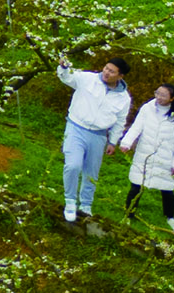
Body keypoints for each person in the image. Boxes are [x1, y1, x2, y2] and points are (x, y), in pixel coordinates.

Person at [56, 55, 131, 222]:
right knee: (73, 165)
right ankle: (70, 201)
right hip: (76, 127)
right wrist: (63, 67)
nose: (107, 73)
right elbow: (67, 77)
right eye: (106, 68)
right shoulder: (87, 78)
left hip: (98, 135)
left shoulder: (123, 98)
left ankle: (86, 205)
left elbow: (120, 121)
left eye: (112, 72)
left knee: (91, 173)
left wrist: (113, 141)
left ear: (120, 76)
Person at [119, 84, 174, 233]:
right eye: (157, 93)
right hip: (145, 153)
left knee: (167, 189)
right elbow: (137, 126)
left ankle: (170, 217)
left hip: (165, 157)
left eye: (163, 95)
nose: (159, 97)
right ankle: (129, 213)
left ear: (172, 98)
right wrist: (127, 142)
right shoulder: (147, 108)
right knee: (136, 185)